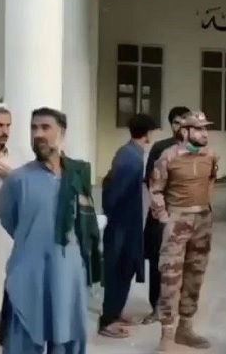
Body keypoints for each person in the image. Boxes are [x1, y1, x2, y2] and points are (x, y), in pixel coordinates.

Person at [0, 107, 102, 353]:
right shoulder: (17, 180)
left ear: (62, 133)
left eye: (45, 128)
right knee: (23, 338)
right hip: (28, 273)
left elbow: (84, 225)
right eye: (34, 128)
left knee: (66, 336)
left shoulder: (77, 175)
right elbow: (10, 221)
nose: (38, 134)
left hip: (67, 273)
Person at [150, 111, 219, 351]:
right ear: (185, 132)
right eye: (199, 129)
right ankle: (167, 334)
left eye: (205, 129)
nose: (204, 133)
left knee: (195, 274)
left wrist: (206, 204)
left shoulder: (210, 155)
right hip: (177, 220)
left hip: (202, 220)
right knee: (170, 277)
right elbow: (155, 189)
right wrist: (164, 216)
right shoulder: (168, 157)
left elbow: (211, 179)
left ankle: (185, 328)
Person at [98, 113, 158, 338]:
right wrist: (113, 217)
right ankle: (108, 321)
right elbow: (113, 192)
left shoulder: (130, 153)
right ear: (149, 133)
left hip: (128, 222)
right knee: (119, 269)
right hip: (122, 225)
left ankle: (116, 312)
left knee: (127, 267)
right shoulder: (130, 158)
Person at [142, 106, 191, 324]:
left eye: (184, 121)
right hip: (162, 215)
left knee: (186, 262)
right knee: (158, 262)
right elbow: (149, 181)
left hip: (187, 214)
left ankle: (181, 308)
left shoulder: (197, 149)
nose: (180, 126)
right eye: (176, 122)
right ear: (171, 125)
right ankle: (157, 308)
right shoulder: (160, 148)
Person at [0, 107, 14, 336]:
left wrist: (12, 177)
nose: (4, 130)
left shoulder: (15, 158)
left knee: (4, 285)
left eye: (8, 125)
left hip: (5, 235)